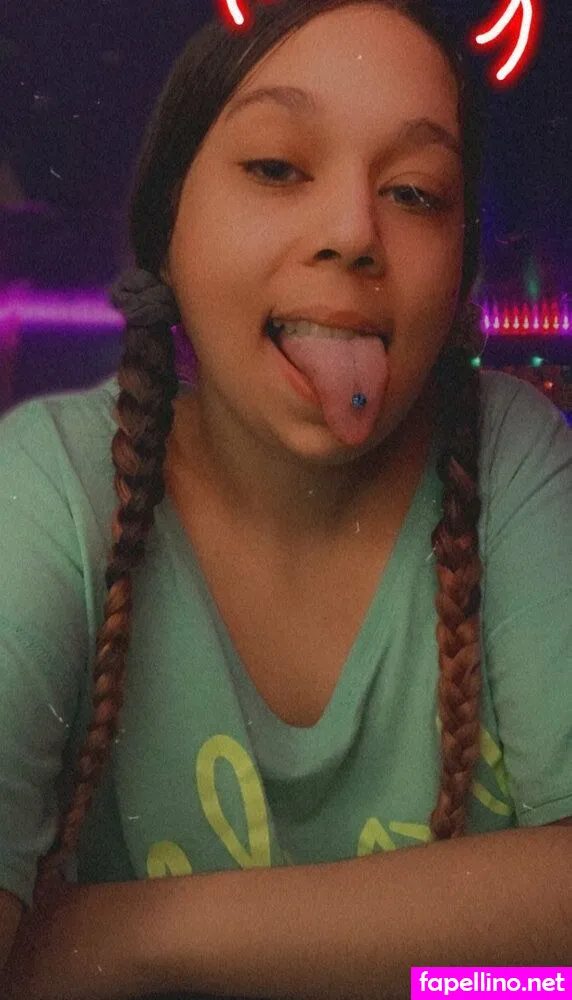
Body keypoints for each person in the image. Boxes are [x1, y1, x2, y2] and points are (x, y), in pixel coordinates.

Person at [1, 0, 571, 996]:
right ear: (167, 230)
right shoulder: (51, 485)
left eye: (414, 192)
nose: (352, 233)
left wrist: (122, 941)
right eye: (275, 168)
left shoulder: (513, 456)